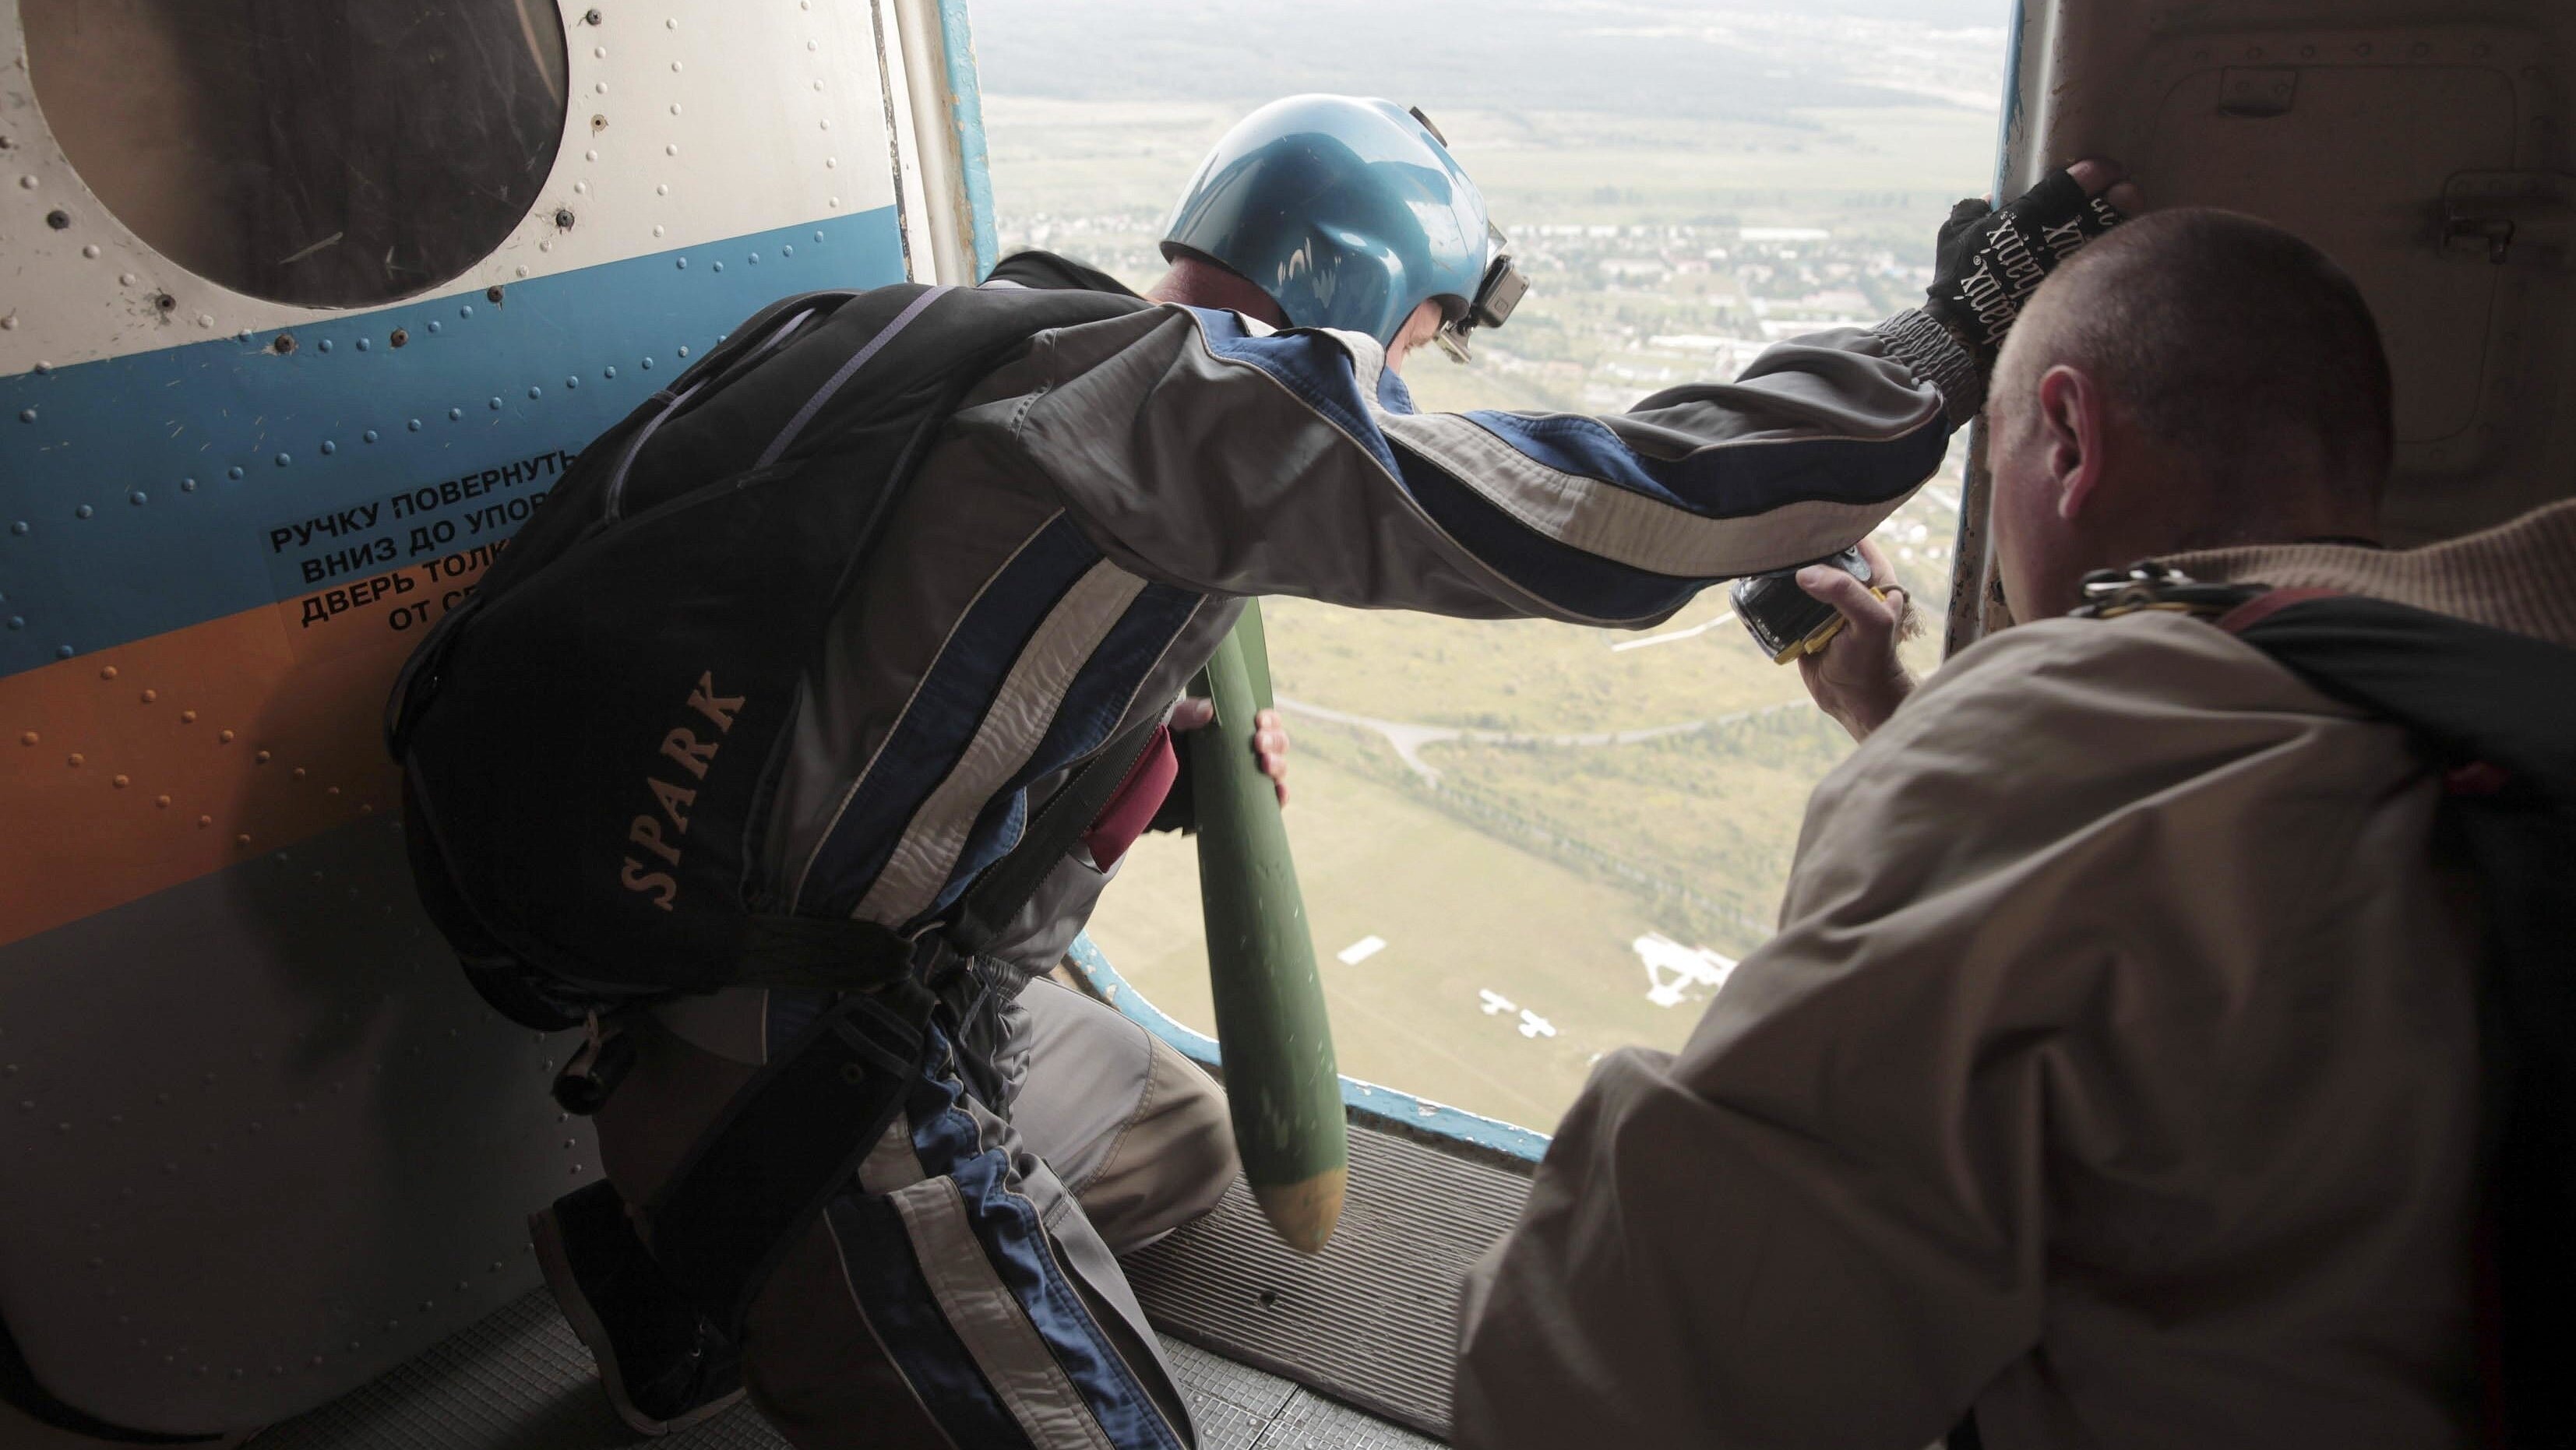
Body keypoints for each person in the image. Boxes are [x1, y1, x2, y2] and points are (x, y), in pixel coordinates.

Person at [446, 95, 2134, 1449]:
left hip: (686, 985)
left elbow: (915, 709)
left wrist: (1149, 769)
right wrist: (1935, 347)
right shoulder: (1192, 418)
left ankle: (679, 1275)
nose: (1401, 374)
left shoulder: (1016, 348)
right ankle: (733, 1255)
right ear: (1352, 291)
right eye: (1411, 332)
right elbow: (1615, 513)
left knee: (1169, 1138)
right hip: (801, 1089)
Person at [1454, 206, 2576, 1447]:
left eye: (1998, 476)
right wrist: (1890, 712)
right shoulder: (2500, 668)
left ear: (2069, 438)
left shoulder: (2062, 735)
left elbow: (1595, 1382)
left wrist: (1954, 752)